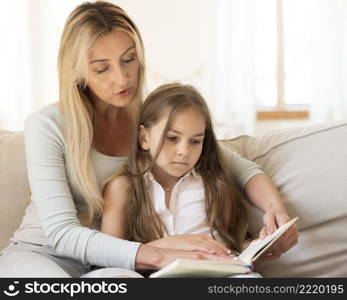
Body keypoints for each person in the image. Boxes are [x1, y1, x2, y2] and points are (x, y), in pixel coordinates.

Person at [0, 1, 297, 278]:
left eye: (129, 60)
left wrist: (276, 212)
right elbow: (62, 233)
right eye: (102, 68)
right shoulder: (47, 125)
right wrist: (163, 253)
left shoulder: (152, 123)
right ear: (77, 72)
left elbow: (238, 167)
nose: (123, 78)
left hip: (110, 265)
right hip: (42, 255)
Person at [101, 83, 298, 277]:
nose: (184, 151)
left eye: (195, 141)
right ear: (144, 138)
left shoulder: (213, 184)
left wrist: (259, 248)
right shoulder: (123, 187)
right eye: (172, 138)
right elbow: (108, 257)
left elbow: (229, 245)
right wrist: (168, 245)